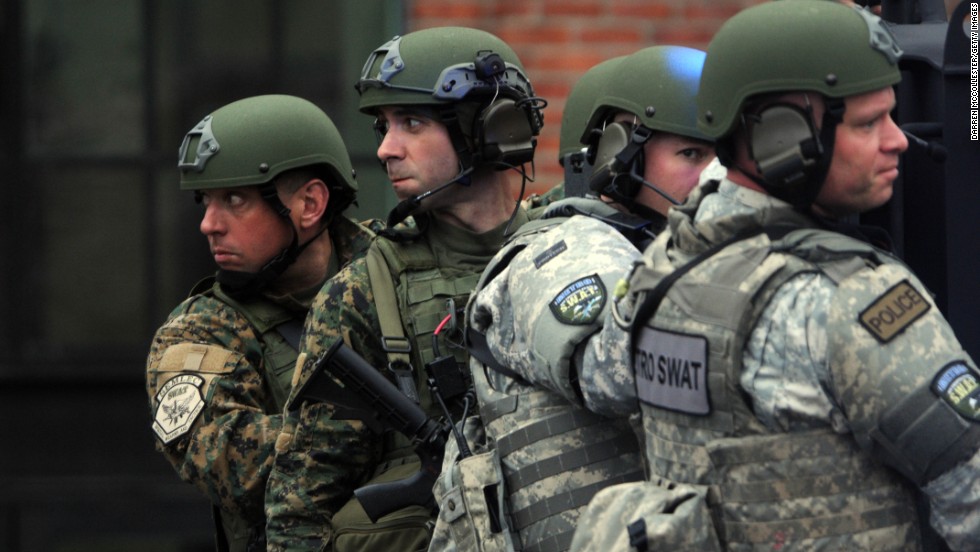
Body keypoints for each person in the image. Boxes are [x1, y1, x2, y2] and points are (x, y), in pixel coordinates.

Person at [481, 2, 980, 550]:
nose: (898, 140)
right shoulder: (853, 299)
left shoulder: (662, 272)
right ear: (781, 140)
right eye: (868, 124)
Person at [263, 26, 545, 552]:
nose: (387, 149)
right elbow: (301, 501)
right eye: (383, 127)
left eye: (412, 123)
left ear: (487, 128)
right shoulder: (366, 290)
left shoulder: (575, 254)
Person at [438, 45, 716, 552]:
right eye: (692, 154)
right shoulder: (561, 251)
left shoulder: (665, 248)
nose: (717, 177)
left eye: (726, 155)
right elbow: (618, 370)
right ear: (616, 153)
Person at [145, 94, 378, 552]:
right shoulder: (197, 334)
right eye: (206, 201)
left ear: (309, 204)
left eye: (234, 199)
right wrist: (379, 433)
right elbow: (229, 461)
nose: (209, 224)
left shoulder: (392, 273)